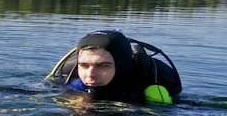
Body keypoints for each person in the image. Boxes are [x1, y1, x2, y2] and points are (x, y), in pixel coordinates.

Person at [50, 29, 183, 104]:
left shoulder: (143, 85)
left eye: (102, 66)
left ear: (121, 66)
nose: (90, 74)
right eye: (84, 65)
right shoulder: (72, 82)